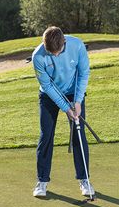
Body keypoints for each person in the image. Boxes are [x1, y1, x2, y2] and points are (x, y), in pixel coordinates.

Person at [31, 26, 95, 197]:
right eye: (52, 53)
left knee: (78, 135)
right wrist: (66, 108)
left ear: (64, 42)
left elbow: (83, 73)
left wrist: (78, 101)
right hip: (49, 95)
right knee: (46, 136)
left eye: (58, 52)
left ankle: (84, 180)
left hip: (74, 93)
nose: (56, 56)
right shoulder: (38, 56)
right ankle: (42, 181)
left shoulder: (78, 46)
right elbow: (47, 85)